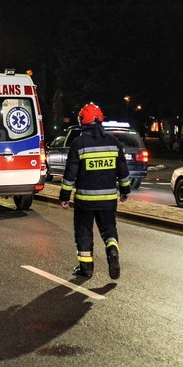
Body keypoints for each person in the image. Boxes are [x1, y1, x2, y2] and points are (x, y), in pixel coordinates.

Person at [59, 103, 131, 280]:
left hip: (85, 199)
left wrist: (64, 196)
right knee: (109, 230)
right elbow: (123, 170)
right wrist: (125, 190)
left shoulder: (79, 144)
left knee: (84, 232)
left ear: (83, 120)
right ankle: (112, 250)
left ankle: (86, 269)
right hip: (108, 199)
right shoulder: (113, 143)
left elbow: (70, 174)